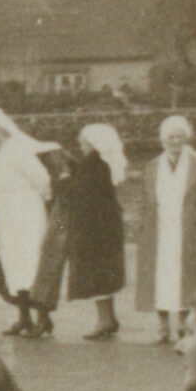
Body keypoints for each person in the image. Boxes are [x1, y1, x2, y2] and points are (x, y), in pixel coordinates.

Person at [135, 116, 196, 343]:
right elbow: (145, 200)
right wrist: (143, 225)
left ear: (186, 138)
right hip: (160, 228)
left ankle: (184, 324)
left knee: (188, 274)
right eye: (170, 137)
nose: (175, 141)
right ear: (163, 140)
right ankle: (163, 326)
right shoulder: (152, 166)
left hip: (188, 229)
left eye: (179, 136)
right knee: (160, 275)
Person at [0, 109, 60, 337]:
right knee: (14, 267)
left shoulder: (17, 150)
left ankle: (43, 319)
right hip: (7, 219)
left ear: (7, 132)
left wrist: (41, 203)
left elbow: (42, 178)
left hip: (27, 217)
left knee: (32, 264)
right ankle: (24, 318)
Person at [68, 124, 127, 339]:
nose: (80, 144)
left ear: (93, 143)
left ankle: (104, 320)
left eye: (83, 141)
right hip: (108, 224)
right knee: (106, 272)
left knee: (97, 273)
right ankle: (109, 318)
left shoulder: (93, 165)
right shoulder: (106, 164)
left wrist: (67, 180)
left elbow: (82, 195)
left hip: (94, 226)